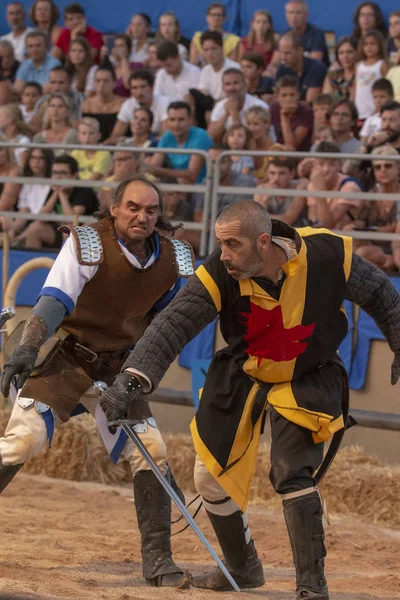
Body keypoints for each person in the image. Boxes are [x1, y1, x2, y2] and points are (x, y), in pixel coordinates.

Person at [98, 197, 400, 597]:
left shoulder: (328, 254)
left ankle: (312, 587)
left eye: (232, 245)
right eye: (220, 244)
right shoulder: (219, 272)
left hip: (309, 373)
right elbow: (174, 324)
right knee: (208, 477)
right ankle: (243, 569)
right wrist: (132, 379)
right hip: (244, 371)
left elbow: (381, 292)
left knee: (291, 471)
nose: (223, 254)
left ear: (262, 242)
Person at [0, 175, 192, 588]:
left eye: (151, 210)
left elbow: (164, 324)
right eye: (134, 208)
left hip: (120, 371)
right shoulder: (87, 244)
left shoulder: (174, 258)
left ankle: (158, 561)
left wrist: (138, 374)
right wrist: (26, 351)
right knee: (23, 440)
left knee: (153, 454)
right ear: (115, 208)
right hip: (67, 359)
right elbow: (54, 301)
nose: (143, 217)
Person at [11, 155, 98, 249]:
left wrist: (62, 195)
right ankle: (36, 262)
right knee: (34, 229)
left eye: (63, 173)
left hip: (87, 235)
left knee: (70, 233)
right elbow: (40, 218)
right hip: (64, 231)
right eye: (55, 173)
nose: (58, 177)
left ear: (74, 175)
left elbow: (73, 222)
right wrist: (56, 194)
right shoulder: (54, 189)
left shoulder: (84, 190)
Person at [346, 145, 398, 271]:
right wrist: (353, 227)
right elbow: (361, 221)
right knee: (351, 244)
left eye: (388, 166)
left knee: (362, 254)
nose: (383, 170)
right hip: (376, 247)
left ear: (398, 167)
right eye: (378, 167)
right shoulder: (371, 195)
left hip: (396, 247)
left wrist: (376, 231)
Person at [148, 101, 213, 184]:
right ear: (167, 120)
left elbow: (192, 175)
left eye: (181, 120)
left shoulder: (201, 136)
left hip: (201, 187)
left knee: (182, 181)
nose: (176, 124)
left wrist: (161, 171)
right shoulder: (168, 135)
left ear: (190, 120)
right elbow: (154, 166)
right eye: (172, 119)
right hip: (176, 184)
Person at [1, 146, 53, 246]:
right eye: (33, 158)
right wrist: (13, 231)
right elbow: (23, 214)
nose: (36, 162)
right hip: (31, 225)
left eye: (40, 158)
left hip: (49, 225)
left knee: (35, 229)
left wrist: (19, 237)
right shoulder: (28, 182)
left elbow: (43, 217)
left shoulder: (53, 183)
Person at [307, 141, 363, 229]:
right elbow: (313, 220)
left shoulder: (349, 186)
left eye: (332, 164)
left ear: (340, 165)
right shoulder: (312, 184)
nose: (326, 169)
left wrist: (319, 192)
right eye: (321, 164)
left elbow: (327, 226)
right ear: (314, 165)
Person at [208, 68, 270, 145]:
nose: (232, 88)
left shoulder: (259, 105)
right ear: (223, 88)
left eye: (236, 83)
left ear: (244, 84)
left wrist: (234, 113)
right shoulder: (220, 106)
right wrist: (226, 114)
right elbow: (210, 137)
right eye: (228, 84)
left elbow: (246, 142)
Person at [107, 70, 170, 143]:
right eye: (134, 88)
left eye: (143, 87)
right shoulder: (128, 105)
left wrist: (144, 142)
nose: (139, 92)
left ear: (152, 87)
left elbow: (167, 136)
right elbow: (116, 136)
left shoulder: (164, 103)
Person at [254, 155, 309, 226]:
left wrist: (264, 218)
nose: (276, 178)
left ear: (292, 173)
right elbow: (256, 220)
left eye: (282, 173)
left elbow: (288, 220)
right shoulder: (261, 189)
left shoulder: (300, 185)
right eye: (272, 173)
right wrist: (265, 198)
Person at [275, 32, 327, 103]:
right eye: (281, 52)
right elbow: (277, 98)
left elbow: (310, 103)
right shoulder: (282, 69)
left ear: (300, 51)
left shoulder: (316, 68)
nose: (283, 57)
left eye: (287, 53)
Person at [30, 66, 83, 132]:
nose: (56, 87)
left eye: (61, 83)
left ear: (70, 83)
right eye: (53, 82)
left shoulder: (80, 99)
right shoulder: (43, 100)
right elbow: (33, 125)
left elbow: (81, 124)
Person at [270, 75, 314, 151]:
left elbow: (291, 146)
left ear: (298, 95)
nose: (288, 99)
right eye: (284, 95)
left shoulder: (307, 112)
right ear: (277, 97)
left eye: (292, 95)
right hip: (278, 151)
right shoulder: (273, 108)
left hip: (299, 155)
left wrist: (284, 116)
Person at [81, 68, 124, 142]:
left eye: (106, 81)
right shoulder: (86, 104)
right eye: (98, 81)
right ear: (94, 83)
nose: (102, 84)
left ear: (114, 84)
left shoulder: (122, 104)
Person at [354, 29, 388, 122]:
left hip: (375, 110)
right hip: (359, 111)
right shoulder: (358, 65)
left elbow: (387, 88)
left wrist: (381, 107)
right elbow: (355, 87)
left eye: (373, 44)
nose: (369, 47)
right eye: (366, 44)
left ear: (380, 46)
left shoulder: (381, 65)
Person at [13, 30, 61, 95]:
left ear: (46, 47)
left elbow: (48, 90)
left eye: (38, 45)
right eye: (30, 46)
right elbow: (18, 89)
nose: (34, 49)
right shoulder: (25, 65)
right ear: (26, 49)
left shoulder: (54, 64)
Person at [283, 0, 329, 66]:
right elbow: (275, 62)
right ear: (286, 15)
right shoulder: (285, 35)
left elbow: (315, 62)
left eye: (298, 13)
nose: (294, 16)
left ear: (306, 14)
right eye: (290, 12)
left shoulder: (317, 33)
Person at [198, 31, 240, 102]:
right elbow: (203, 93)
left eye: (213, 49)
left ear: (222, 48)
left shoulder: (235, 69)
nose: (210, 54)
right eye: (206, 50)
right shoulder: (205, 70)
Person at [245, 106, 283, 180]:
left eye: (256, 124)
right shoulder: (244, 147)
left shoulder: (276, 150)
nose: (251, 128)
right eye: (248, 124)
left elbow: (269, 178)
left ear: (267, 124)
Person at [71, 117, 112, 182]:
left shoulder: (104, 154)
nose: (87, 137)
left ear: (99, 136)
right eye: (83, 133)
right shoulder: (75, 153)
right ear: (78, 136)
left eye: (91, 133)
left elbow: (92, 181)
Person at [322, 36, 358, 101]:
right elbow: (326, 100)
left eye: (349, 52)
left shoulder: (362, 74)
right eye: (341, 53)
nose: (345, 56)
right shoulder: (332, 75)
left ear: (357, 53)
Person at [0, 133, 19, 211]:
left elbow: (5, 205)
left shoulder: (14, 171)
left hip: (6, 217)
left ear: (8, 151)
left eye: (0, 149)